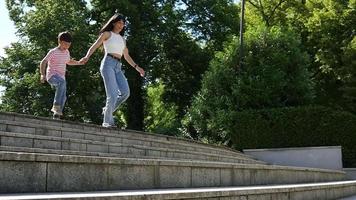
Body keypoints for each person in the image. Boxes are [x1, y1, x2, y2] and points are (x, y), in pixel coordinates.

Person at [80, 13, 145, 128]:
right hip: (108, 64)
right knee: (113, 94)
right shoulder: (107, 34)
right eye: (119, 22)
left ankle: (107, 110)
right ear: (114, 22)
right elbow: (94, 46)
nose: (121, 25)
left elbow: (126, 56)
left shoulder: (123, 40)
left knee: (125, 93)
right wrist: (87, 56)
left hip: (118, 67)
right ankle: (107, 122)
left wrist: (137, 67)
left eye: (123, 24)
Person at [40, 31, 84, 119]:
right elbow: (43, 61)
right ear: (60, 42)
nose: (67, 47)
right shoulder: (53, 52)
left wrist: (79, 62)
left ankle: (57, 114)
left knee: (64, 96)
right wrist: (42, 74)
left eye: (68, 45)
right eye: (65, 45)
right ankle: (56, 106)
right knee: (61, 83)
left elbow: (68, 62)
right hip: (52, 76)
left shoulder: (67, 52)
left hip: (61, 77)